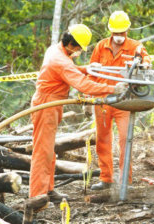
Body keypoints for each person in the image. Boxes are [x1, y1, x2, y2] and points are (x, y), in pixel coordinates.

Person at [29, 24, 127, 206]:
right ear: (73, 45)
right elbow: (84, 86)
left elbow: (70, 70)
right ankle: (37, 196)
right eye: (80, 49)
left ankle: (48, 190)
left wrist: (86, 68)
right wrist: (113, 88)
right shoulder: (61, 61)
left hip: (51, 103)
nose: (80, 52)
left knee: (49, 150)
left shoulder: (57, 50)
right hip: (47, 105)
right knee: (43, 152)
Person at [89, 11, 151, 190]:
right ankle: (106, 178)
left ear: (127, 30)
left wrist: (145, 63)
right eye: (115, 33)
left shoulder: (135, 46)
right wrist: (88, 96)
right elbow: (91, 72)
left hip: (124, 101)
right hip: (103, 100)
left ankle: (125, 179)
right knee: (102, 140)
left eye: (121, 33)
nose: (118, 37)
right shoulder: (100, 46)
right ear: (110, 31)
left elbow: (146, 57)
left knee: (126, 139)